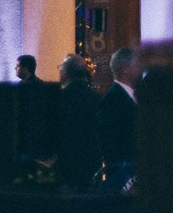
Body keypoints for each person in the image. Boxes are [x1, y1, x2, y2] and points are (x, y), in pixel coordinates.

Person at [55, 53, 102, 190]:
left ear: (64, 73)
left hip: (67, 165)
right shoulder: (96, 98)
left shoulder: (59, 99)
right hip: (92, 163)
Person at [97, 46, 139, 191]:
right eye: (137, 64)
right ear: (125, 68)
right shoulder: (111, 99)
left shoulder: (137, 96)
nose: (140, 68)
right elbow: (109, 140)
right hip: (122, 174)